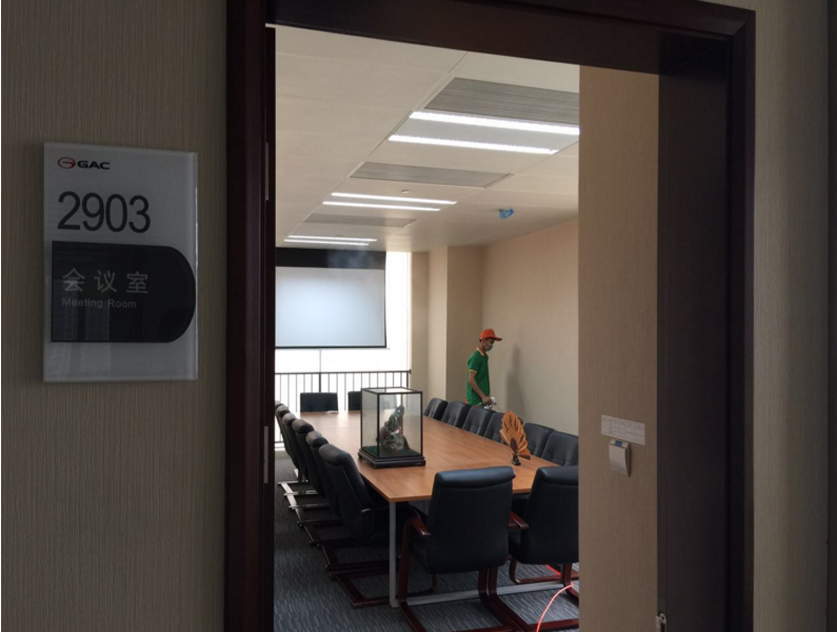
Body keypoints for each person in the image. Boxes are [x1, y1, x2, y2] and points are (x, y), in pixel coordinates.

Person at [466, 328, 502, 407]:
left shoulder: (484, 357)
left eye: (493, 343)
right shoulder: (475, 357)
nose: (491, 345)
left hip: (483, 399)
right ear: (483, 341)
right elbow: (471, 379)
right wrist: (483, 397)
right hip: (475, 400)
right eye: (490, 342)